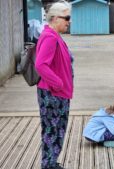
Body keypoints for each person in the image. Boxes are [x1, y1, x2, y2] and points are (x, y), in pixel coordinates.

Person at [35, 1, 73, 169]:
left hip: (57, 93)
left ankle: (50, 163)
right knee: (53, 130)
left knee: (56, 131)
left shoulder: (54, 35)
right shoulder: (50, 37)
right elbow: (40, 64)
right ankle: (48, 165)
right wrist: (58, 83)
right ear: (56, 18)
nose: (69, 21)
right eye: (67, 18)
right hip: (53, 94)